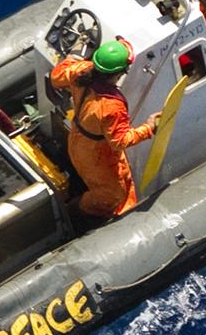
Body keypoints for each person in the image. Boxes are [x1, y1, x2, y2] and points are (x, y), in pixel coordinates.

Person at [48, 39, 159, 219]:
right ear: (121, 72)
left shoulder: (81, 70)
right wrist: (149, 127)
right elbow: (119, 141)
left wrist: (75, 52)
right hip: (96, 154)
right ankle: (72, 215)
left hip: (77, 139)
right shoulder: (111, 106)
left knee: (116, 178)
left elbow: (56, 77)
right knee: (113, 196)